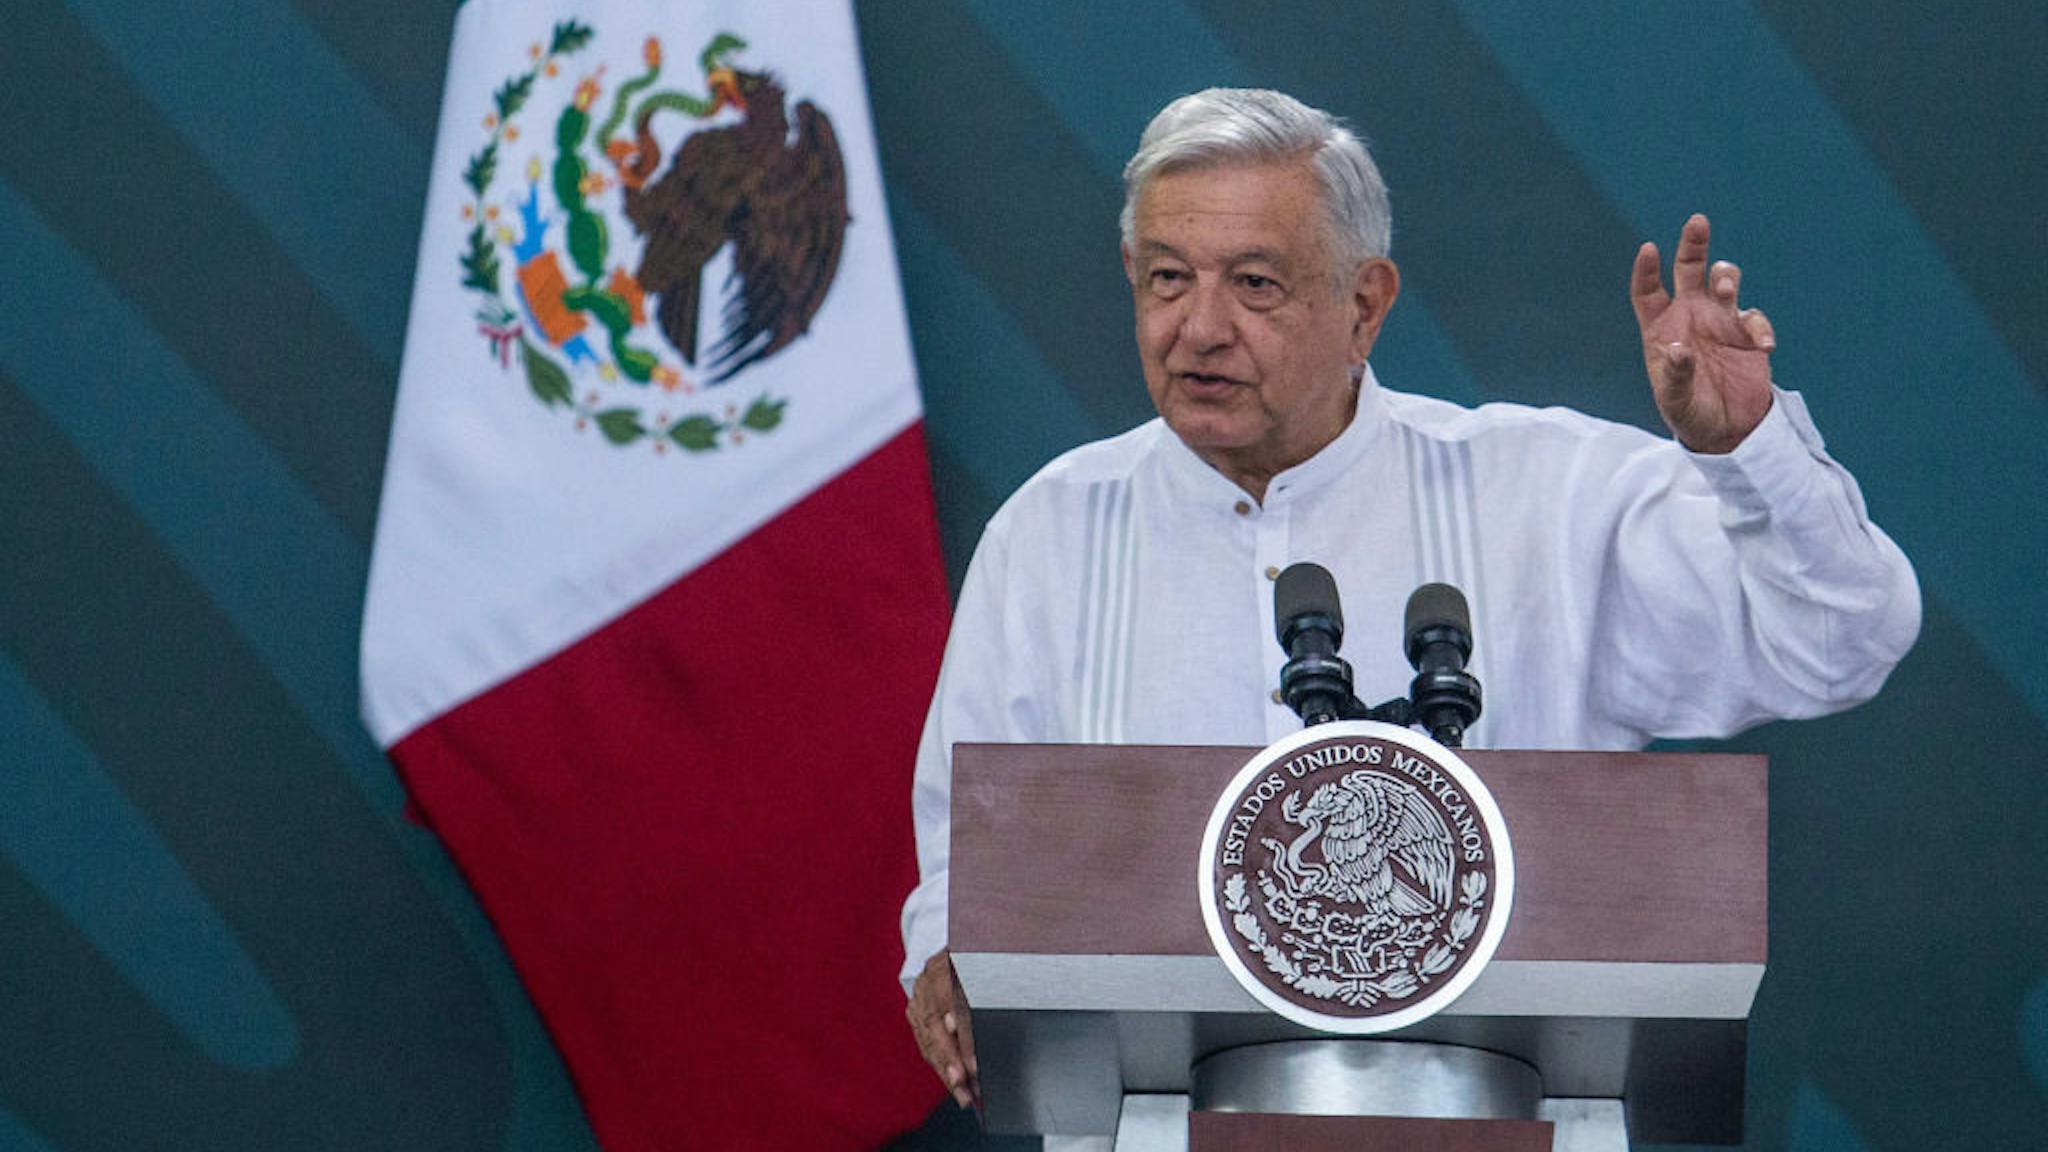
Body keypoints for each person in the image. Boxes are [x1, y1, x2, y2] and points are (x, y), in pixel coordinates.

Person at [899, 88, 1920, 1111]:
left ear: (1365, 304)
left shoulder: (1548, 498)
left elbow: (1840, 640)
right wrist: (946, 946)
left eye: (1253, 283)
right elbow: (967, 849)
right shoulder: (1049, 534)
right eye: (1167, 279)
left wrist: (1745, 452)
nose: (1198, 328)